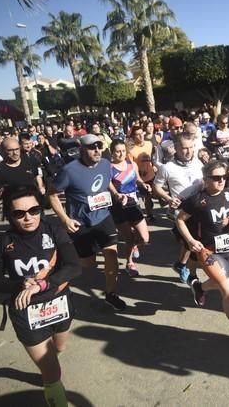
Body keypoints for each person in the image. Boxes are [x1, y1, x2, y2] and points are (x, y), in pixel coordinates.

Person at [0, 186, 81, 407]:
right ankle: (53, 385)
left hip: (59, 303)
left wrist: (42, 284)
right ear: (9, 215)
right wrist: (20, 283)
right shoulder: (2, 242)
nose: (28, 217)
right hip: (26, 313)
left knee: (58, 349)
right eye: (19, 213)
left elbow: (73, 266)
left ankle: (49, 372)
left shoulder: (54, 230)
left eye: (34, 210)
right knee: (52, 371)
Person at [176, 160, 229, 349]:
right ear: (205, 179)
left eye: (225, 177)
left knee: (222, 282)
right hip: (209, 252)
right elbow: (180, 220)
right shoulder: (197, 200)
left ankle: (200, 288)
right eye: (216, 178)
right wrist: (190, 241)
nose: (221, 181)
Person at [48, 134, 126, 310]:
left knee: (112, 255)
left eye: (100, 145)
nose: (97, 150)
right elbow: (51, 194)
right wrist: (65, 219)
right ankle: (61, 259)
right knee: (88, 264)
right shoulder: (69, 171)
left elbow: (106, 182)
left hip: (104, 217)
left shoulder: (106, 163)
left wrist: (116, 194)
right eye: (92, 147)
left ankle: (111, 294)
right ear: (82, 149)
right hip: (80, 223)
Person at [152, 133, 204, 283]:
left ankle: (181, 264)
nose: (188, 152)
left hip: (199, 207)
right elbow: (156, 187)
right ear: (176, 149)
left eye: (190, 148)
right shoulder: (167, 168)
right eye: (184, 149)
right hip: (182, 211)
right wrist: (169, 199)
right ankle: (186, 270)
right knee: (191, 241)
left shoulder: (198, 163)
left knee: (193, 240)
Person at [108, 140, 150, 277]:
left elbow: (137, 179)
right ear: (112, 152)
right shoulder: (109, 168)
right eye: (118, 151)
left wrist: (144, 185)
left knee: (144, 238)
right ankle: (129, 262)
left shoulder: (131, 164)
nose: (121, 154)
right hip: (118, 208)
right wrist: (117, 195)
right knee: (128, 239)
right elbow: (110, 188)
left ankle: (134, 245)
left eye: (123, 151)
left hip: (133, 205)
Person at [127, 125, 156, 222]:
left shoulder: (149, 144)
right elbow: (131, 167)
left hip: (152, 175)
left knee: (155, 195)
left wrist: (154, 165)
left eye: (141, 133)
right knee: (147, 198)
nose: (141, 136)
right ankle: (149, 214)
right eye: (137, 135)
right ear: (133, 137)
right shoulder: (131, 150)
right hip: (141, 179)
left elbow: (152, 157)